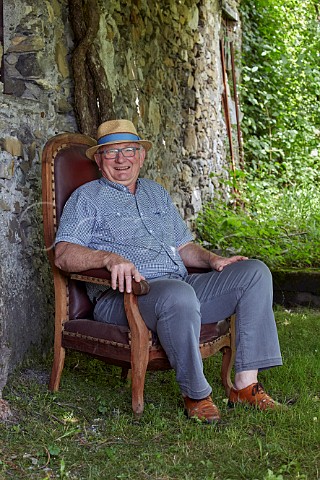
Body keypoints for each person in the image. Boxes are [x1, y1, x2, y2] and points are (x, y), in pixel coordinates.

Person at [54, 119, 283, 423]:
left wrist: (213, 259)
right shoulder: (87, 199)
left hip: (180, 283)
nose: (121, 160)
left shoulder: (156, 193)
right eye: (111, 153)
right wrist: (108, 258)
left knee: (255, 273)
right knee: (178, 294)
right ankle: (197, 394)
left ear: (141, 155)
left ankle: (245, 385)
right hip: (126, 296)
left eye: (129, 150)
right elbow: (63, 254)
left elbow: (184, 246)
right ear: (99, 159)